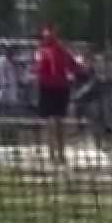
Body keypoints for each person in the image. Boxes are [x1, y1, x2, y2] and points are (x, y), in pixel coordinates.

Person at [34, 26, 79, 165]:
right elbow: (75, 67)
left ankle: (55, 154)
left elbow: (73, 66)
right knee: (56, 122)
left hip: (52, 88)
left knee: (52, 122)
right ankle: (57, 154)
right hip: (56, 87)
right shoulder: (57, 51)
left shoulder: (46, 51)